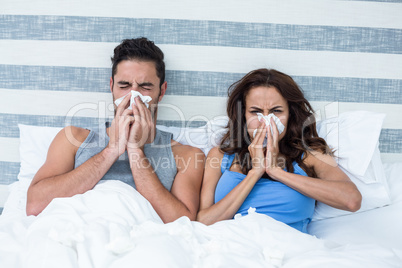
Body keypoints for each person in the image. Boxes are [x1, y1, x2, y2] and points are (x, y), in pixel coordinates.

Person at [26, 38, 205, 223]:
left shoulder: (185, 156)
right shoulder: (73, 139)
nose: (133, 95)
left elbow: (183, 224)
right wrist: (112, 150)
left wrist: (136, 151)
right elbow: (34, 205)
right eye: (124, 86)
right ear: (111, 86)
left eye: (145, 87)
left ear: (162, 91)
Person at [196, 68, 362, 233]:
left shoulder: (309, 155)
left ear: (290, 114)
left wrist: (276, 172)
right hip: (234, 245)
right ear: (243, 115)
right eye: (256, 112)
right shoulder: (221, 155)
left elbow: (352, 200)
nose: (267, 121)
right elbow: (204, 223)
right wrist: (255, 173)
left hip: (288, 247)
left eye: (276, 111)